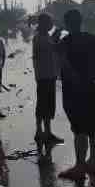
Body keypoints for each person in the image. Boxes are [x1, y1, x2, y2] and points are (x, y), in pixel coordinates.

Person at [57, 9, 95, 180]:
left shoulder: (65, 41)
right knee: (93, 125)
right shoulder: (92, 39)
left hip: (72, 90)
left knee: (79, 128)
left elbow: (63, 63)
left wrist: (72, 75)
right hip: (89, 87)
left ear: (67, 23)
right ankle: (92, 163)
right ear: (81, 21)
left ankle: (79, 167)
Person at [32, 13, 63, 144]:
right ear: (44, 23)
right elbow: (46, 52)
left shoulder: (45, 36)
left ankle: (43, 132)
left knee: (45, 104)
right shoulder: (40, 38)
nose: (51, 24)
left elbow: (54, 53)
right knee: (45, 105)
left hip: (48, 75)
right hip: (45, 75)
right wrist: (56, 40)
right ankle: (43, 132)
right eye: (50, 22)